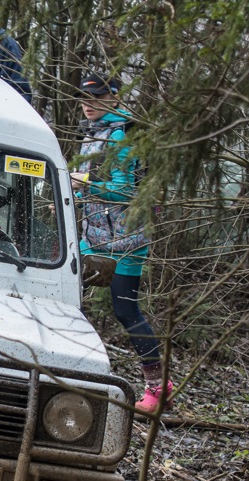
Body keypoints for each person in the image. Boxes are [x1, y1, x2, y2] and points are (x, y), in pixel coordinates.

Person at [71, 73, 174, 413]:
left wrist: (85, 183)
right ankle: (71, 377)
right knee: (70, 302)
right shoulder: (93, 133)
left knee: (126, 311)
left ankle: (158, 388)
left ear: (114, 99)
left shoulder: (122, 137)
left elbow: (125, 192)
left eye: (98, 98)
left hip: (128, 240)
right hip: (93, 238)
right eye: (85, 98)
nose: (88, 104)